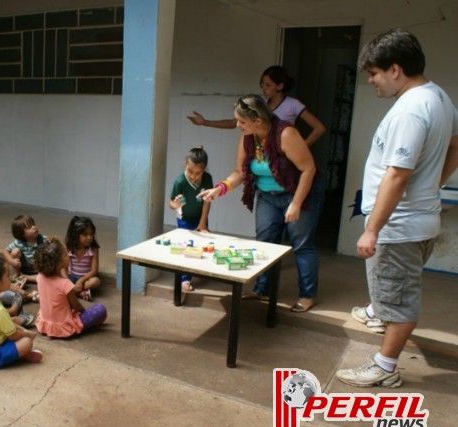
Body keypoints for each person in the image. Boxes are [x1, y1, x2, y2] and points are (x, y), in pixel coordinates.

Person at [336, 29, 458, 388]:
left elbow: (397, 175)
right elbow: (455, 145)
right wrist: (433, 182)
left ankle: (385, 367)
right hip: (419, 220)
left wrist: (372, 228)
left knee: (402, 302)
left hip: (399, 227)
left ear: (395, 69)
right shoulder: (438, 97)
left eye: (373, 74)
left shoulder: (409, 110)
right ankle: (377, 310)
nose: (371, 82)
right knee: (395, 286)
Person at [198, 94, 323, 312]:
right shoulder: (248, 137)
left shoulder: (286, 134)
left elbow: (308, 169)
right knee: (265, 243)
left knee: (301, 245)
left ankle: (307, 295)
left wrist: (296, 203)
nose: (237, 126)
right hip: (267, 196)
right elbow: (239, 171)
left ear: (258, 121)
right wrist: (220, 188)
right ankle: (262, 289)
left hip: (298, 192)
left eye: (241, 122)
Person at [188, 65, 327, 147]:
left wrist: (302, 147)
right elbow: (234, 123)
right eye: (262, 85)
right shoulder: (259, 103)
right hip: (260, 153)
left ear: (280, 86)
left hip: (283, 155)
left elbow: (319, 128)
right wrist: (205, 122)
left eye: (268, 85)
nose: (264, 89)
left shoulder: (293, 104)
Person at [34, 237, 107, 338]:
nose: (68, 255)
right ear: (59, 263)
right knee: (100, 309)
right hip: (64, 327)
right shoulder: (65, 284)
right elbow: (76, 306)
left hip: (45, 324)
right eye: (65, 255)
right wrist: (83, 312)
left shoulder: (40, 276)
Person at [167, 146, 214, 291]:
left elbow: (207, 201)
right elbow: (171, 203)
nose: (193, 175)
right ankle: (184, 279)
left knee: (202, 244)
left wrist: (202, 223)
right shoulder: (180, 181)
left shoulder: (207, 179)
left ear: (204, 170)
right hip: (184, 219)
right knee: (187, 247)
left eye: (198, 173)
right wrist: (175, 205)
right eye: (190, 171)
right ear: (185, 165)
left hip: (201, 217)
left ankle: (199, 271)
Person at [64, 216, 102, 300]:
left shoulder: (93, 249)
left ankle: (72, 291)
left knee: (96, 281)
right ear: (76, 235)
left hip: (86, 279)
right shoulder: (70, 247)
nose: (89, 238)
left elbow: (94, 270)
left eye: (91, 234)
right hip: (72, 277)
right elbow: (64, 267)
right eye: (85, 234)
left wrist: (81, 281)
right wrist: (66, 281)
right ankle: (80, 292)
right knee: (58, 276)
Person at [3, 214, 46, 286]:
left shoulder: (43, 239)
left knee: (46, 278)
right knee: (15, 251)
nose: (34, 227)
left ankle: (25, 277)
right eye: (29, 227)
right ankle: (17, 275)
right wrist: (12, 261)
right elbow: (5, 251)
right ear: (22, 234)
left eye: (33, 224)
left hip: (40, 269)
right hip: (25, 267)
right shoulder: (19, 242)